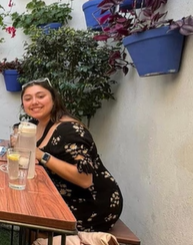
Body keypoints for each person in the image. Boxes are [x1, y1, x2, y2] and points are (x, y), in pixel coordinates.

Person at [21, 78, 123, 231]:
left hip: (92, 204)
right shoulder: (37, 124)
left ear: (54, 99)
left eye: (40, 96)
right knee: (27, 200)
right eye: (28, 99)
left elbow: (85, 179)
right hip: (61, 194)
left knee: (32, 208)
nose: (34, 102)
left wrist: (42, 156)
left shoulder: (69, 130)